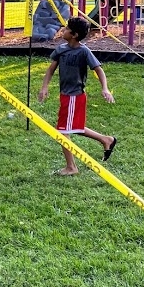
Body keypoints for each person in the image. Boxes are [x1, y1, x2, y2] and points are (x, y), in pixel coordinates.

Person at [38, 16, 116, 176]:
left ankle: (71, 167)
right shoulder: (61, 49)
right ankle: (106, 139)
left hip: (74, 96)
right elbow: (51, 69)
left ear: (73, 35)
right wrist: (44, 87)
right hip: (65, 95)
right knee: (73, 127)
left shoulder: (84, 51)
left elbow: (98, 69)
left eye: (66, 29)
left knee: (62, 131)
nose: (63, 30)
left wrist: (105, 89)